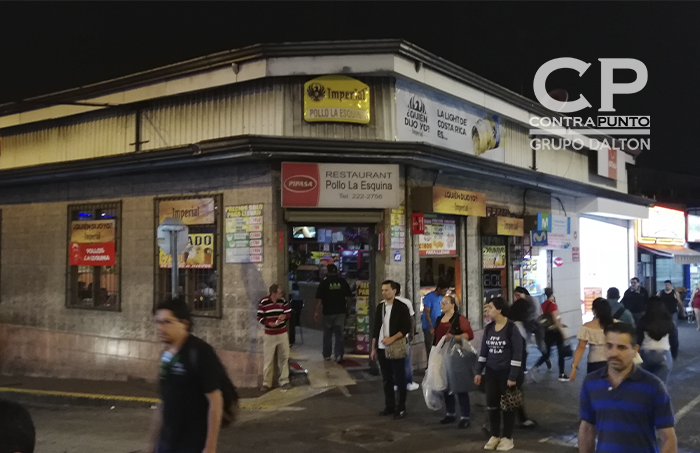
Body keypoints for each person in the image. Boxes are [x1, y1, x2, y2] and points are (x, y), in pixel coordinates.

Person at [578, 323, 677, 453]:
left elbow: (668, 438)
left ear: (635, 350)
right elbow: (587, 428)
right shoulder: (590, 383)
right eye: (609, 346)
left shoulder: (653, 386)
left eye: (621, 347)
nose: (614, 353)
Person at [147, 297, 224, 453]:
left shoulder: (200, 352)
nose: (161, 328)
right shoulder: (166, 356)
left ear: (184, 324)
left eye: (167, 322)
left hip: (192, 445)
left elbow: (215, 401)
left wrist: (210, 447)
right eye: (158, 322)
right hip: (166, 444)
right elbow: (164, 401)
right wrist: (152, 442)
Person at [474, 297, 524, 451]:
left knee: (508, 406)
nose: (487, 311)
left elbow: (517, 354)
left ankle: (507, 437)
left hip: (507, 374)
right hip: (491, 373)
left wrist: (512, 376)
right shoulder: (489, 329)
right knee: (492, 405)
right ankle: (494, 435)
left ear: (499, 309)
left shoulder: (511, 328)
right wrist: (478, 371)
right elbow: (484, 352)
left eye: (490, 307)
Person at [371, 280, 412, 419]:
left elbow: (407, 327)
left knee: (399, 378)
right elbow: (376, 328)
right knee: (387, 378)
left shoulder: (401, 307)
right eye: (382, 290)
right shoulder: (380, 307)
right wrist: (373, 348)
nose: (384, 292)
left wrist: (392, 338)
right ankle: (389, 406)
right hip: (382, 348)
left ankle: (401, 407)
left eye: (387, 290)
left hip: (395, 347)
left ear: (394, 291)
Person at [434, 295, 474, 429]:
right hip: (441, 355)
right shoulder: (439, 319)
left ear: (453, 304)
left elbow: (469, 335)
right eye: (441, 302)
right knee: (445, 384)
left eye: (445, 302)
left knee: (459, 385)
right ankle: (450, 412)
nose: (442, 304)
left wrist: (454, 338)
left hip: (456, 355)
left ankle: (465, 416)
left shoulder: (459, 319)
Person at [314, 264, 353, 362]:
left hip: (327, 312)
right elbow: (349, 298)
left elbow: (319, 300)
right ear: (337, 271)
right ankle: (339, 354)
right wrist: (347, 309)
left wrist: (316, 312)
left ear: (328, 271)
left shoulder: (324, 283)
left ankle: (327, 355)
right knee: (339, 334)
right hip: (340, 312)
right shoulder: (343, 282)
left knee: (327, 334)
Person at [257, 284, 292, 392]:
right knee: (268, 359)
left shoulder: (283, 302)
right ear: (273, 294)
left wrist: (284, 316)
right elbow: (259, 317)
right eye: (279, 293)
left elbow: (288, 312)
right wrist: (269, 323)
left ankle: (284, 380)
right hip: (269, 334)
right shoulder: (263, 302)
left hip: (282, 333)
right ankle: (267, 383)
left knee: (284, 357)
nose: (281, 294)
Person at [570, 298, 615, 382]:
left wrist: (574, 367)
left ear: (594, 310)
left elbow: (581, 347)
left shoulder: (588, 327)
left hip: (595, 363)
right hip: (614, 362)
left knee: (595, 389)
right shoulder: (617, 325)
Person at [637, 296, 679, 384]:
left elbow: (638, 339)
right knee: (661, 384)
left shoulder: (643, 320)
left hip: (646, 354)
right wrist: (674, 354)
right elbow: (674, 340)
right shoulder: (668, 321)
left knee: (646, 382)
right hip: (664, 354)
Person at [533, 288, 569, 381]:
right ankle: (561, 374)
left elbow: (548, 319)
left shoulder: (544, 304)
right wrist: (563, 332)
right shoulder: (553, 305)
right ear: (552, 294)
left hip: (547, 331)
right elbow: (555, 319)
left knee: (547, 353)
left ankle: (535, 367)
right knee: (561, 352)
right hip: (555, 331)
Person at [395, 281, 420, 392]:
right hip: (403, 336)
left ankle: (395, 383)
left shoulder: (384, 303)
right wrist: (412, 332)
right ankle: (408, 382)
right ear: (399, 291)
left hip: (390, 337)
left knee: (393, 360)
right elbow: (412, 319)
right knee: (406, 360)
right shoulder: (406, 302)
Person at [422, 278, 449, 358]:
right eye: (444, 291)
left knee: (440, 347)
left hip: (439, 326)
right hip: (429, 327)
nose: (445, 293)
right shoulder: (429, 297)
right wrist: (431, 327)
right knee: (431, 349)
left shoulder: (442, 298)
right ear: (439, 289)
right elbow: (427, 313)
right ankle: (430, 367)